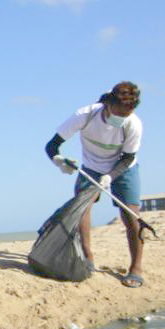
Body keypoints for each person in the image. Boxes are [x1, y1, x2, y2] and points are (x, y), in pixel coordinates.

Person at [45, 81, 145, 286]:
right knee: (82, 209)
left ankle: (136, 268)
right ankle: (88, 258)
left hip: (124, 168)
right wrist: (58, 161)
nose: (121, 120)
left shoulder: (133, 124)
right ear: (108, 105)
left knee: (132, 217)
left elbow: (127, 158)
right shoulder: (86, 115)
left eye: (125, 116)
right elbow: (52, 145)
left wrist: (110, 176)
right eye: (118, 115)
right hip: (91, 167)